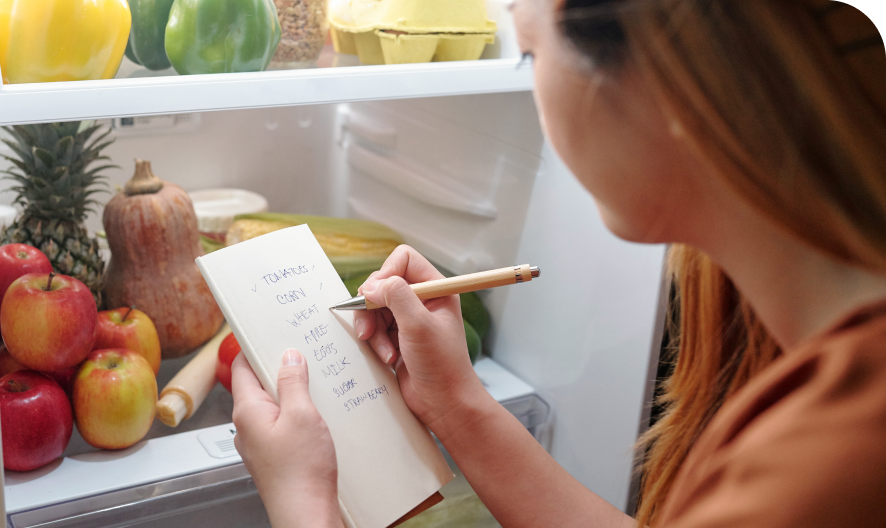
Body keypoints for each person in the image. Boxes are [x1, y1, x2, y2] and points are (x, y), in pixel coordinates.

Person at [230, 0, 886, 526]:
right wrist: (455, 404)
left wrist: (305, 505)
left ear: (669, 78)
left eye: (533, 53)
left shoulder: (828, 465)